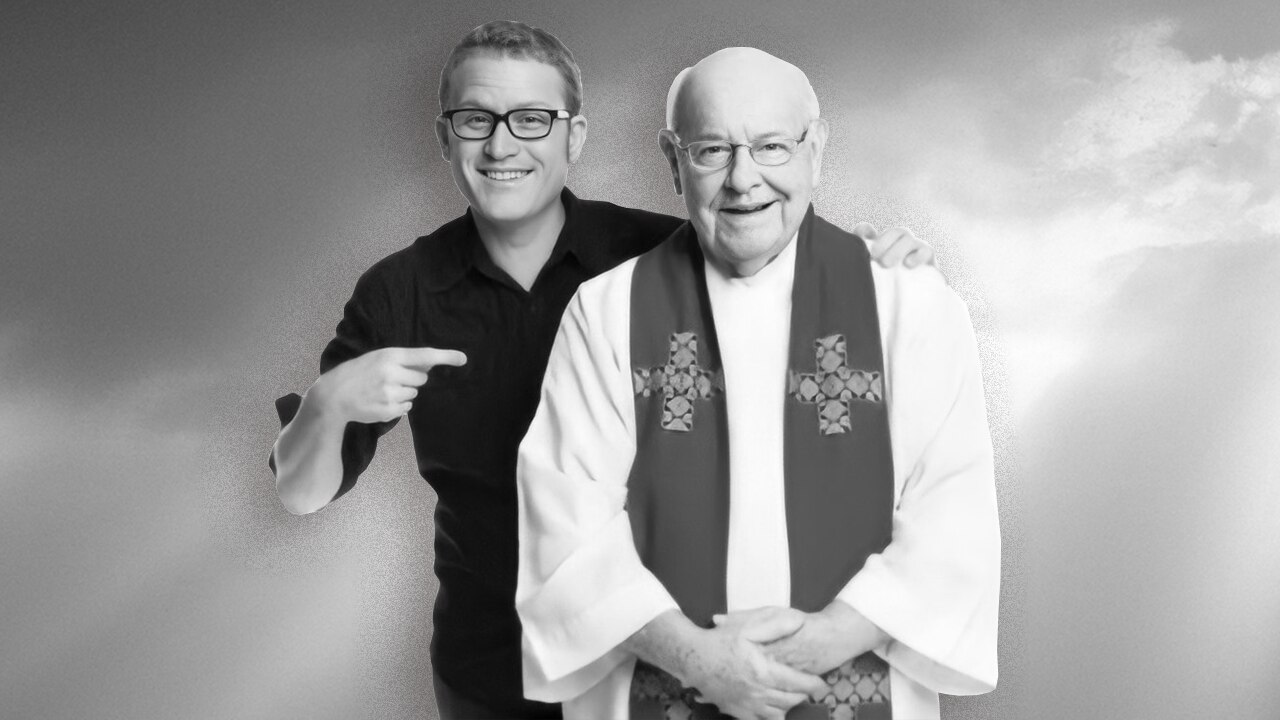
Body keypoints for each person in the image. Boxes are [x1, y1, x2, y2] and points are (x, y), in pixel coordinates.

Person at [270, 23, 934, 720]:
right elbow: (300, 493)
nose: (502, 145)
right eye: (475, 120)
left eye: (532, 120)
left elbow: (772, 250)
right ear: (445, 138)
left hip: (649, 659)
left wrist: (874, 263)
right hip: (490, 662)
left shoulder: (654, 255)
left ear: (575, 137)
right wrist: (328, 405)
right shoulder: (398, 291)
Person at [515, 47, 1000, 720]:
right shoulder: (607, 312)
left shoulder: (909, 306)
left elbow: (954, 517)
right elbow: (565, 525)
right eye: (712, 149)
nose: (744, 180)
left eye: (772, 147)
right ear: (672, 158)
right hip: (657, 689)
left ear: (816, 149)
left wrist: (818, 646)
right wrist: (696, 658)